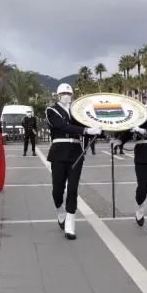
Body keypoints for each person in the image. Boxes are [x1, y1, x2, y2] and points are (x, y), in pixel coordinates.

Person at [46, 83, 102, 240]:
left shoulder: (77, 111)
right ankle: (60, 210)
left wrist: (98, 128)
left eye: (68, 93)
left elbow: (87, 124)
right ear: (57, 95)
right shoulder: (51, 110)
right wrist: (85, 130)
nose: (66, 96)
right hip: (58, 152)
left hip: (75, 153)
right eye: (63, 93)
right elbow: (62, 126)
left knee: (72, 189)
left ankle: (70, 223)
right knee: (57, 190)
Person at [112, 85, 147, 236]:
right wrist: (120, 141)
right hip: (142, 155)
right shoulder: (140, 113)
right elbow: (130, 129)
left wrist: (145, 131)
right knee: (142, 188)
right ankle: (140, 206)